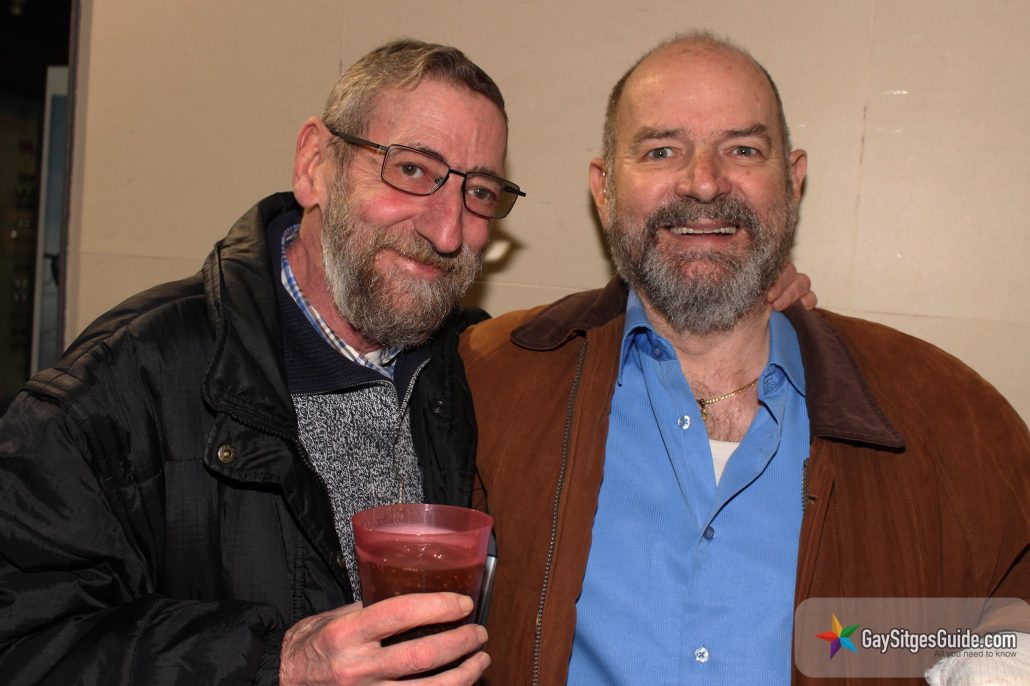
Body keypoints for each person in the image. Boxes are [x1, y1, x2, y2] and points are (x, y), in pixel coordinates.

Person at [0, 38, 813, 685]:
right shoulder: (122, 388)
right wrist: (276, 662)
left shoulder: (469, 368)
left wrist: (737, 298)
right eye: (413, 170)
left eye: (479, 192)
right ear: (316, 164)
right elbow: (22, 640)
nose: (447, 230)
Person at [460, 32, 1030, 685]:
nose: (704, 182)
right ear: (604, 189)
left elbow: (1011, 591)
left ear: (792, 182)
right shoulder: (493, 380)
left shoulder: (952, 420)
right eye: (661, 150)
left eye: (743, 149)